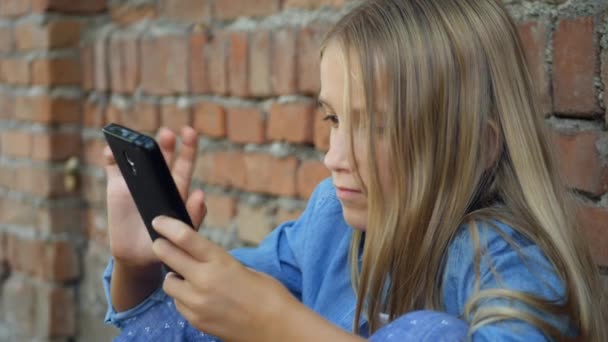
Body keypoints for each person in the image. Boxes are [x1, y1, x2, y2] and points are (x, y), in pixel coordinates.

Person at [102, 0, 607, 340]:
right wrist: (140, 269)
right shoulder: (332, 223)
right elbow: (185, 327)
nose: (335, 157)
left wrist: (281, 327)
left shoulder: (507, 264)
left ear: (479, 145)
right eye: (334, 119)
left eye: (376, 126)